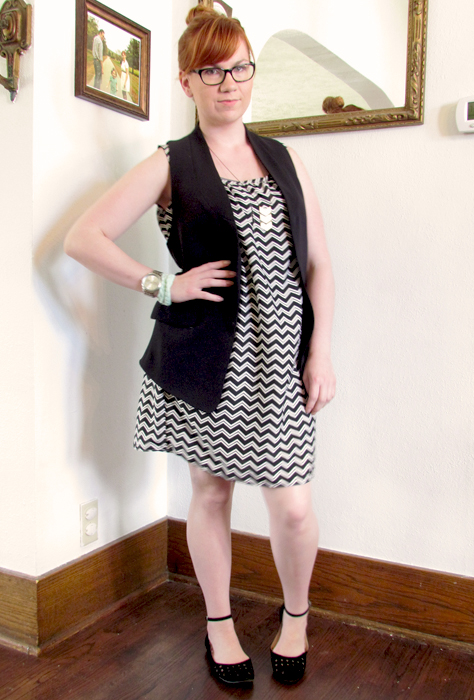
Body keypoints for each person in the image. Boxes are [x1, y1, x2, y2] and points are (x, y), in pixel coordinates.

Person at [65, 5, 335, 687]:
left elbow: (319, 265)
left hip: (280, 359)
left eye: (239, 68)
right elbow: (82, 238)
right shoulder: (171, 163)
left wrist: (321, 350)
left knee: (292, 505)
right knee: (210, 493)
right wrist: (164, 284)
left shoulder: (285, 159)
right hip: (206, 363)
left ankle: (296, 617)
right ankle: (219, 624)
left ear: (253, 72)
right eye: (211, 72)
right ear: (186, 82)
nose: (228, 83)